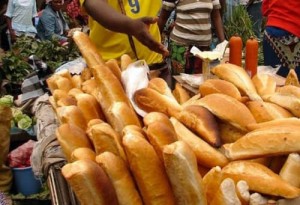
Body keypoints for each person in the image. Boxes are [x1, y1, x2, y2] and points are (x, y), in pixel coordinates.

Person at [158, 0, 225, 75]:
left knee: (201, 81)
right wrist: (155, 44)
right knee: (179, 82)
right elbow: (163, 18)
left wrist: (223, 44)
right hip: (180, 48)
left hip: (203, 49)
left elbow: (216, 17)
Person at [262, 0, 300, 78]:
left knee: (272, 83)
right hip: (295, 31)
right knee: (296, 85)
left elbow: (265, 9)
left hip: (272, 34)